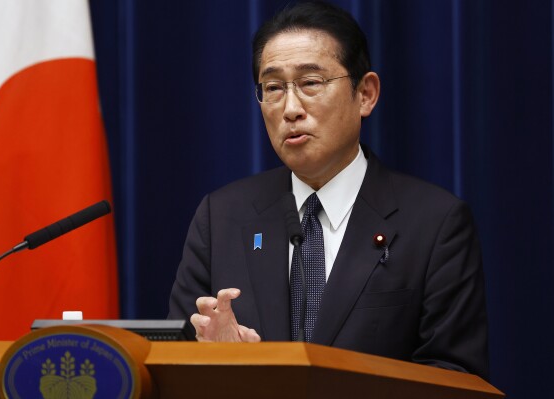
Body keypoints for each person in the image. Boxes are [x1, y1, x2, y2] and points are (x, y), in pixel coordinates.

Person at [168, 1, 488, 380]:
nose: (290, 108)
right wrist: (226, 368)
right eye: (273, 87)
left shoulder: (435, 223)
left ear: (365, 94)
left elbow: (453, 377)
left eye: (310, 83)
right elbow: (172, 362)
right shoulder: (221, 217)